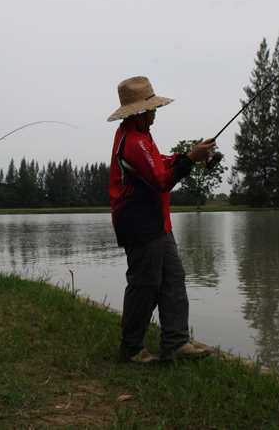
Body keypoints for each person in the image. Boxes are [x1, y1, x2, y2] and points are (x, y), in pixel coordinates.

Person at [108, 76, 216, 363]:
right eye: (152, 107)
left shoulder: (141, 135)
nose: (156, 111)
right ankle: (131, 348)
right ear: (139, 110)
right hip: (141, 223)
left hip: (157, 222)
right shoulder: (133, 140)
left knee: (173, 278)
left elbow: (160, 161)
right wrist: (190, 159)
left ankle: (175, 343)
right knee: (145, 285)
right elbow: (161, 181)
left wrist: (187, 155)